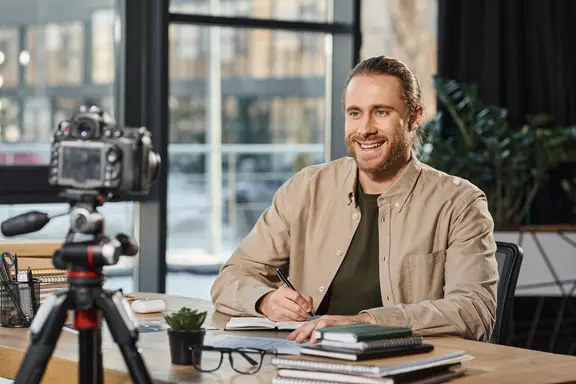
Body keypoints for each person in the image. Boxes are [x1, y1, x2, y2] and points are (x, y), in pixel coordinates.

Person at [210, 55, 499, 344]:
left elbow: (474, 311)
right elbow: (232, 276)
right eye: (355, 113)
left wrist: (365, 322)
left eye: (381, 112)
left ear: (414, 117)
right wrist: (266, 300)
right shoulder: (306, 188)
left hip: (404, 367)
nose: (364, 129)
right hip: (308, 359)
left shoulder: (460, 203)